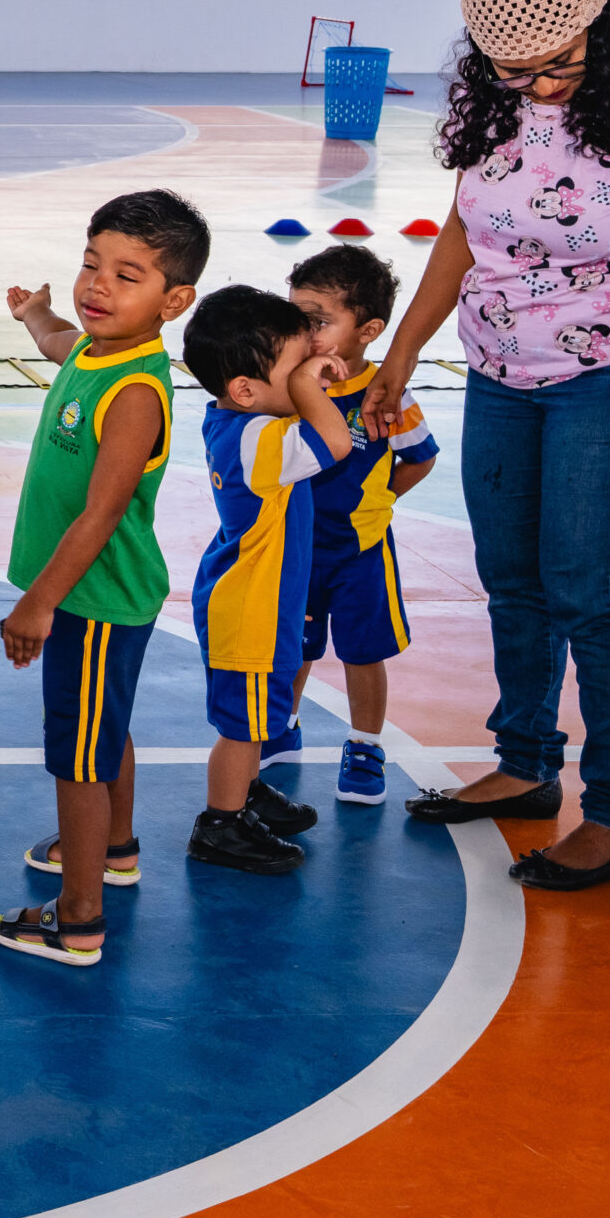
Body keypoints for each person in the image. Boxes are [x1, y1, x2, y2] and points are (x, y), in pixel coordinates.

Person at [364, 0, 610, 890]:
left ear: (598, 23)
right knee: (512, 575)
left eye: (558, 64)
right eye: (515, 70)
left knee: (587, 589)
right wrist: (401, 350)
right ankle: (526, 762)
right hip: (499, 370)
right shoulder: (501, 98)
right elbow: (462, 228)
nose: (541, 86)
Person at [0, 189, 208, 966]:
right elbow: (55, 339)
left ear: (173, 300)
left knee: (78, 755)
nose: (97, 286)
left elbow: (102, 513)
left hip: (92, 597)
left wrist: (37, 603)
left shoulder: (137, 392)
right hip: (96, 595)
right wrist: (33, 314)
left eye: (126, 274)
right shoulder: (93, 348)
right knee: (102, 729)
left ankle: (78, 916)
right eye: (91, 264)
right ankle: (115, 848)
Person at [182, 286, 352, 874]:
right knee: (243, 724)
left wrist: (298, 368)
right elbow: (337, 440)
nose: (311, 377)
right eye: (296, 370)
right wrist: (310, 386)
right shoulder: (258, 438)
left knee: (257, 715)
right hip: (250, 605)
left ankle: (244, 793)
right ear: (246, 390)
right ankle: (220, 823)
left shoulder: (246, 422)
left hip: (259, 596)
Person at [279, 245, 439, 804]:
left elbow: (421, 457)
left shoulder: (386, 395)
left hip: (361, 550)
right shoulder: (286, 385)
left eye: (319, 321)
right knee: (293, 646)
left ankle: (366, 743)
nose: (304, 331)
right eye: (296, 316)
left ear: (368, 330)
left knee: (363, 652)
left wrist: (379, 501)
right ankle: (282, 724)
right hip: (293, 547)